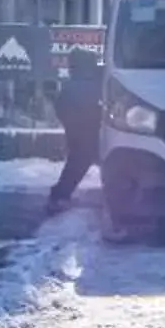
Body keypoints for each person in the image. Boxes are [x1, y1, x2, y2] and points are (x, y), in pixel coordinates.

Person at [46, 49, 102, 214]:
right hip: (88, 131)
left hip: (80, 131)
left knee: (77, 164)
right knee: (79, 163)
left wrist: (72, 126)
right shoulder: (88, 81)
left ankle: (59, 195)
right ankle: (59, 196)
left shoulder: (74, 83)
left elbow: (61, 108)